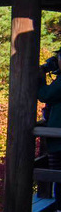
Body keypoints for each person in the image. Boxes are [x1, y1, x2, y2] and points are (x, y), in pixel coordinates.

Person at [38, 50, 61, 198]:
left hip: (58, 141)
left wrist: (41, 76)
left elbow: (45, 95)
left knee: (58, 173)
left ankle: (59, 208)